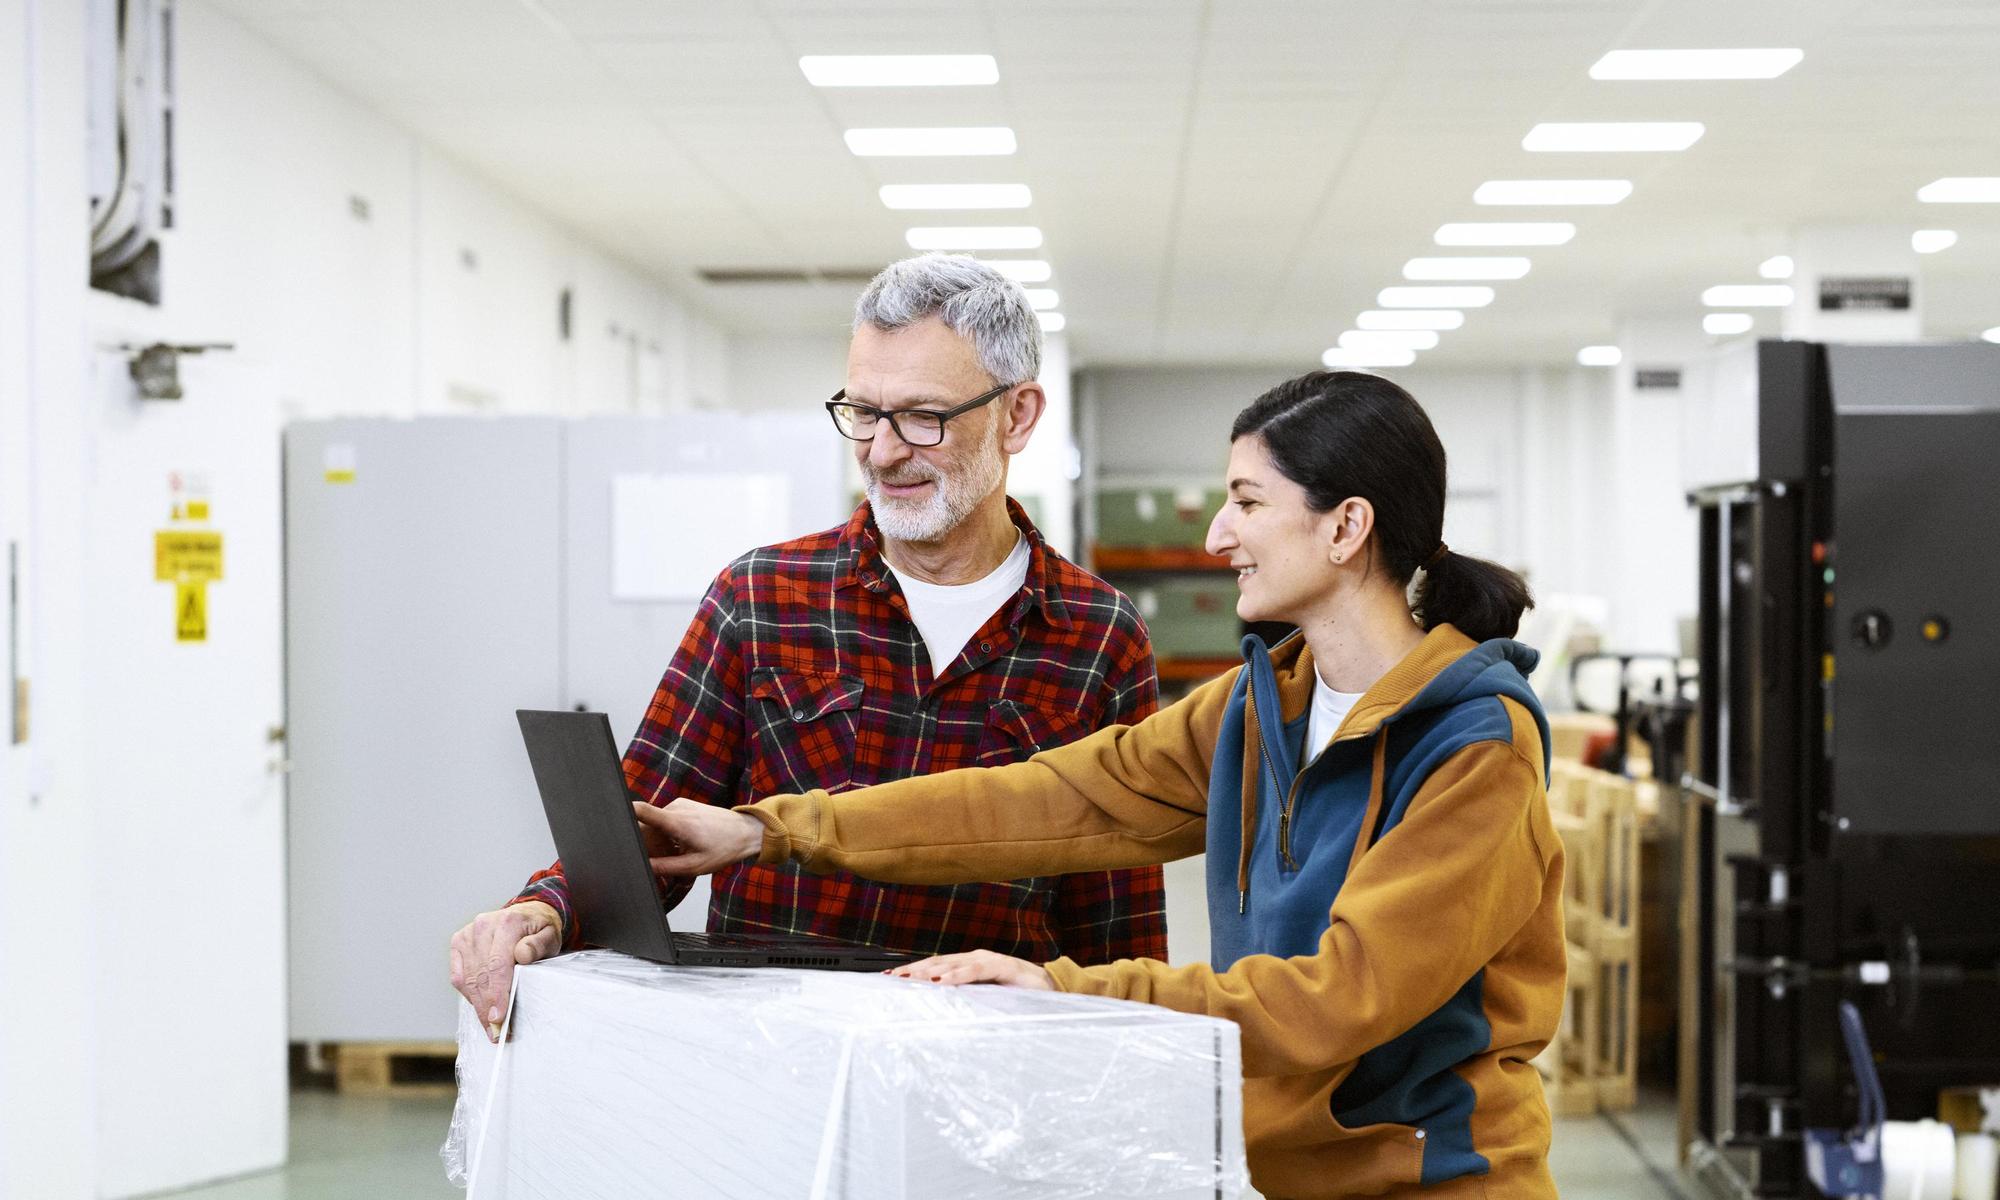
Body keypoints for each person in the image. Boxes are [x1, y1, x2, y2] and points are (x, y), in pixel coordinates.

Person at [642, 370, 1565, 1200]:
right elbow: (1045, 799)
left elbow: (1338, 998)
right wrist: (770, 830)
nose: (1217, 535)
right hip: (1282, 1177)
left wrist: (1065, 993)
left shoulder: (1476, 745)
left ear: (1346, 527)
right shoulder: (1259, 709)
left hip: (1440, 1180)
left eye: (1246, 502)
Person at [449, 254, 1168, 1037]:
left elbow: (1116, 917)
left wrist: (1128, 1050)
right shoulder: (762, 598)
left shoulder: (1097, 635)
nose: (883, 452)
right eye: (863, 412)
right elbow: (644, 828)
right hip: (775, 1056)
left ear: (1018, 416)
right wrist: (542, 910)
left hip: (983, 1063)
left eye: (922, 417)